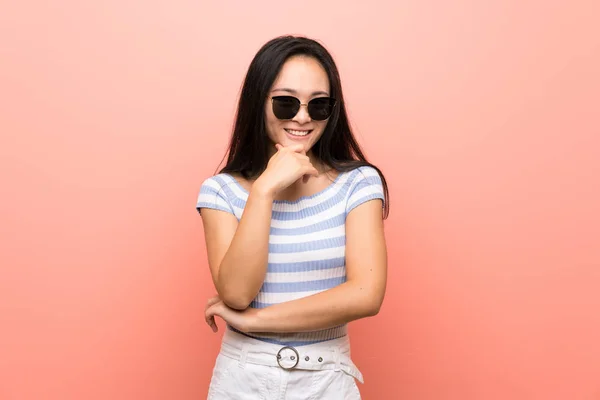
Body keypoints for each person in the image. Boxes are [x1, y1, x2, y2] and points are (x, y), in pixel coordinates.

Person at [196, 35, 390, 400]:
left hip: (327, 378)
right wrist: (265, 189)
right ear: (259, 102)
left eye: (318, 105)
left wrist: (253, 321)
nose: (302, 117)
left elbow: (366, 294)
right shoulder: (221, 191)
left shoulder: (357, 183)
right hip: (242, 379)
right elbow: (237, 292)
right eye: (286, 103)